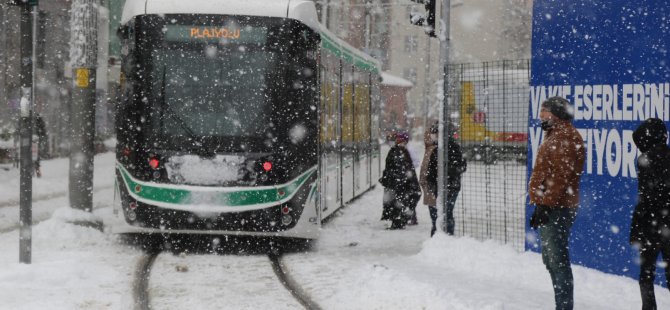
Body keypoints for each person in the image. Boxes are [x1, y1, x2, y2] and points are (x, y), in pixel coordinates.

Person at [528, 96, 585, 310]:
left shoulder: (565, 137)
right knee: (551, 260)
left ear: (558, 114)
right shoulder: (555, 135)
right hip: (551, 205)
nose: (541, 116)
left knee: (557, 261)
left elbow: (560, 176)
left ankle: (563, 307)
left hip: (558, 208)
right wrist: (541, 202)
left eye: (545, 112)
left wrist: (546, 204)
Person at [630, 118, 670, 310]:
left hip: (651, 226)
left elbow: (645, 199)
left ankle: (649, 307)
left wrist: (636, 229)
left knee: (646, 274)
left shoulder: (645, 160)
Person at [421, 123, 467, 236]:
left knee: (439, 214)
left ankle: (439, 235)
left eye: (433, 133)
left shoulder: (441, 149)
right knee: (446, 213)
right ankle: (446, 235)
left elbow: (460, 167)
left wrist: (433, 181)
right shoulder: (443, 147)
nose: (432, 136)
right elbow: (461, 166)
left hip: (444, 187)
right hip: (449, 186)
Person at [380, 131, 421, 229]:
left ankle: (399, 221)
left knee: (398, 201)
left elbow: (400, 168)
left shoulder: (399, 151)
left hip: (398, 182)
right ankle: (403, 219)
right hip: (400, 182)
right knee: (401, 200)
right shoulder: (401, 151)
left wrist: (396, 179)